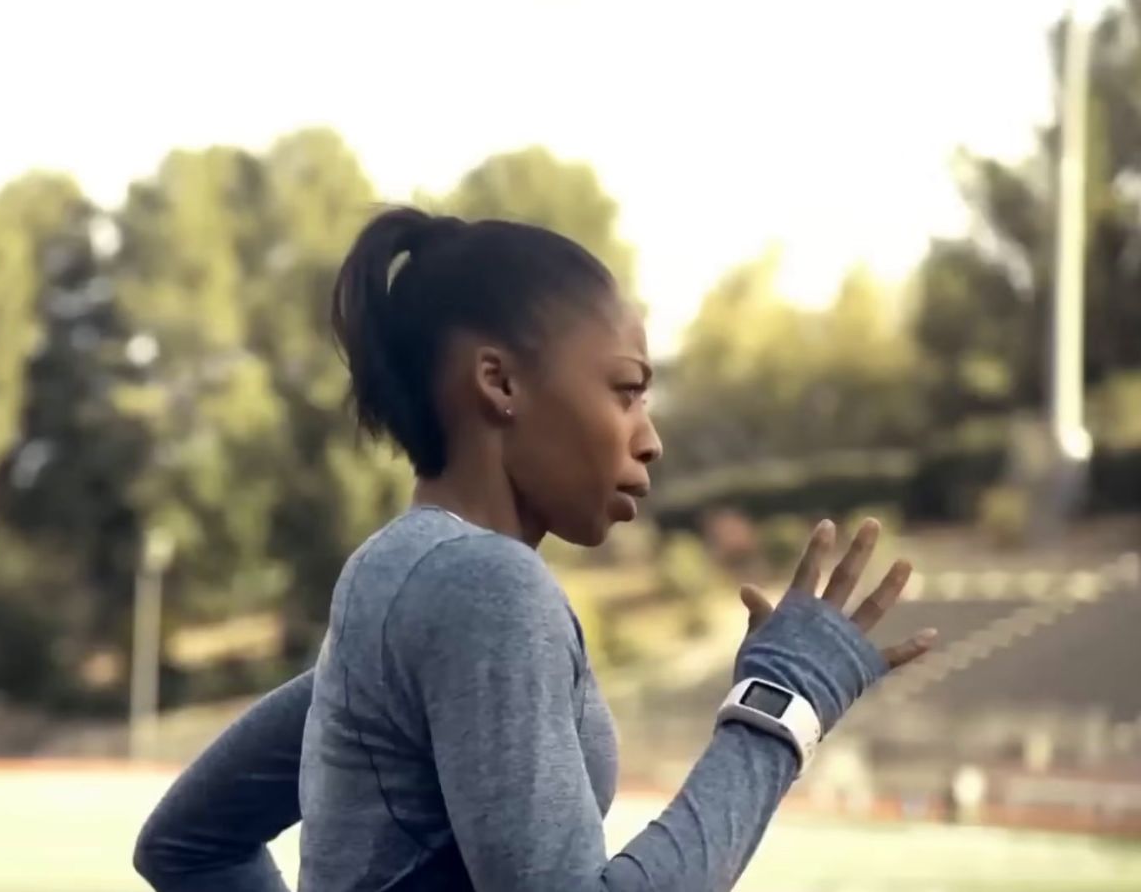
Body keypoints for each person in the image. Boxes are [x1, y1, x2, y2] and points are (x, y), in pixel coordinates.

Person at [133, 207, 938, 891]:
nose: (650, 438)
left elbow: (188, 843)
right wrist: (782, 706)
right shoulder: (484, 584)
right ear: (501, 383)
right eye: (626, 390)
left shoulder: (395, 582)